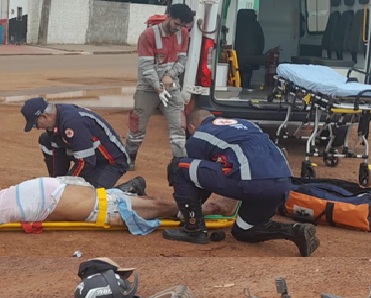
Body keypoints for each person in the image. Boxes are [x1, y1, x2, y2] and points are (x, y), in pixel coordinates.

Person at [166, 109, 319, 256]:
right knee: (243, 230)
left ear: (192, 127)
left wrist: (187, 210)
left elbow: (199, 183)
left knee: (179, 167)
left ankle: (193, 229)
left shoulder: (198, 136)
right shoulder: (247, 124)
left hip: (251, 182)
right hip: (283, 183)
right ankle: (295, 231)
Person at [0, 175, 234, 235]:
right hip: (100, 204)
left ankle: (203, 208)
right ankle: (208, 209)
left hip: (92, 196)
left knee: (154, 204)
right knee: (160, 206)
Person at [124, 2, 195, 169]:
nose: (178, 28)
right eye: (176, 24)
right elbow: (146, 67)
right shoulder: (148, 35)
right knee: (137, 128)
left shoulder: (183, 33)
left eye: (182, 25)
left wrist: (170, 75)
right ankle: (129, 157)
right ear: (168, 17)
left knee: (178, 127)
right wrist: (158, 86)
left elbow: (182, 61)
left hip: (171, 86)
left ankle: (179, 164)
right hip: (148, 88)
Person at [22, 97, 130, 189]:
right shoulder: (54, 121)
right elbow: (59, 155)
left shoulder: (72, 123)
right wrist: (56, 184)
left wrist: (68, 182)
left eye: (35, 124)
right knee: (45, 140)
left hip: (110, 162)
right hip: (92, 158)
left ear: (44, 116)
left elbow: (86, 161)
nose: (36, 128)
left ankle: (131, 188)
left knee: (87, 197)